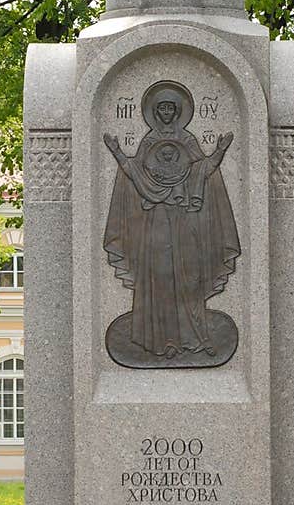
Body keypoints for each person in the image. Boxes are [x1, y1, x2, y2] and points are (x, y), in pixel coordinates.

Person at [103, 81, 240, 364]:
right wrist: (117, 152)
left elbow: (202, 169)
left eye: (170, 108)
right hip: (156, 222)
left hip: (184, 220)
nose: (166, 113)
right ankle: (161, 343)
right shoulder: (149, 141)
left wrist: (220, 150)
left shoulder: (188, 140)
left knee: (189, 277)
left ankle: (195, 340)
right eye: (161, 108)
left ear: (178, 111)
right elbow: (136, 173)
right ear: (155, 112)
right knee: (160, 277)